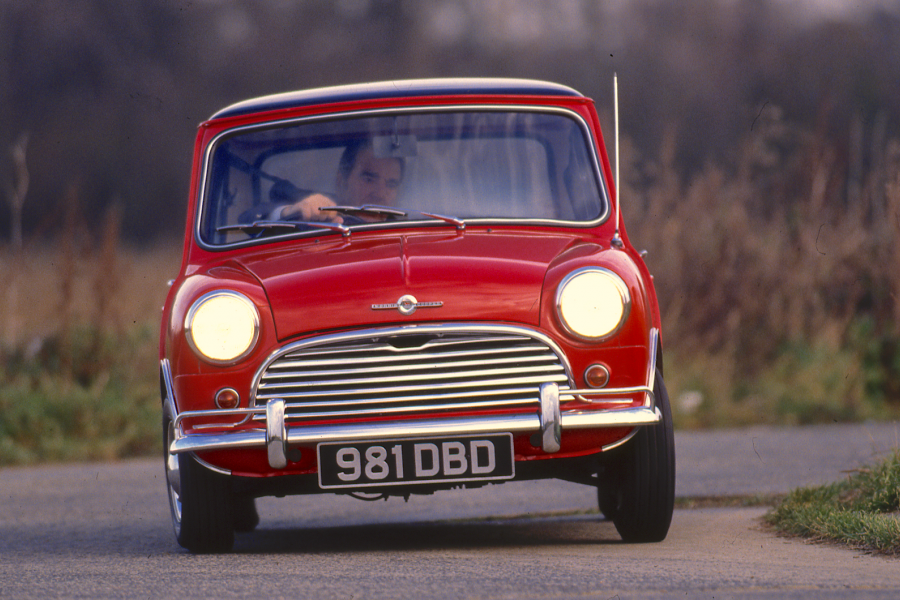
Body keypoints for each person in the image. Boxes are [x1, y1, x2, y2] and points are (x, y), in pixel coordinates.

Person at [260, 138, 404, 224]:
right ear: (342, 182)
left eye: (391, 184)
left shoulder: (406, 230)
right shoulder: (316, 213)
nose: (380, 194)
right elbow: (254, 217)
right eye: (369, 179)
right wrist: (290, 213)